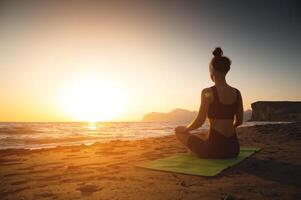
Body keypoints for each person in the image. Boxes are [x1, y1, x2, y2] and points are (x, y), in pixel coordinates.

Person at [174, 47, 243, 158]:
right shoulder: (237, 93)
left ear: (212, 70)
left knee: (179, 132)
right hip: (233, 150)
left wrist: (185, 129)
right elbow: (239, 121)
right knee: (205, 139)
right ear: (226, 70)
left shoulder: (207, 92)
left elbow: (199, 121)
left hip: (214, 150)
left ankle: (195, 152)